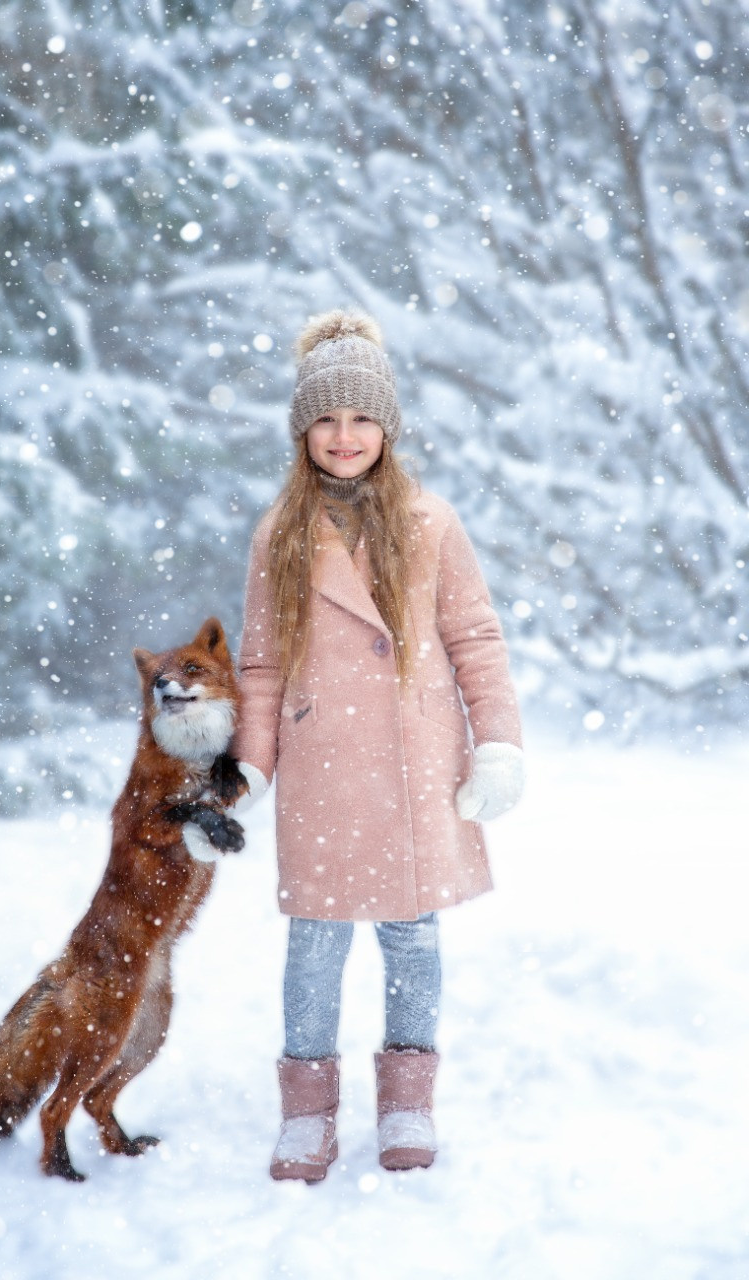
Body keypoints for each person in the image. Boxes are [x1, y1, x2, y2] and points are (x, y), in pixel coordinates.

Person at [227, 310, 524, 1182]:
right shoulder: (281, 532)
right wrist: (250, 763)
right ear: (302, 430)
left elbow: (476, 640)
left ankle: (406, 1103)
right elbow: (261, 661)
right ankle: (307, 1114)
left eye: (362, 417)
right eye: (326, 417)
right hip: (322, 762)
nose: (344, 435)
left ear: (387, 427)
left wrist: (498, 745)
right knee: (316, 943)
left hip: (415, 761)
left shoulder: (431, 522)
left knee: (412, 936)